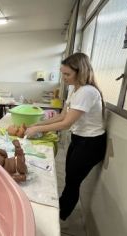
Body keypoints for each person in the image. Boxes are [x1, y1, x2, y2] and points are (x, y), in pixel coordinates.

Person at [25, 52, 107, 221]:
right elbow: (62, 116)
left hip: (91, 143)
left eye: (67, 74)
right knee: (70, 175)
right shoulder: (73, 89)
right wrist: (38, 124)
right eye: (62, 73)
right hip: (78, 139)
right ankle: (59, 208)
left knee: (72, 181)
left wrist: (36, 131)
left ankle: (58, 218)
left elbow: (66, 124)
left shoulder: (87, 92)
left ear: (81, 72)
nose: (63, 78)